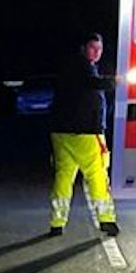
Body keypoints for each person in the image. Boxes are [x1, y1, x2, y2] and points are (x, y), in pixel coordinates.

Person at [48, 33, 118, 237]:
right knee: (97, 175)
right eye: (93, 48)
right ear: (83, 49)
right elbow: (92, 83)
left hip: (61, 134)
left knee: (63, 178)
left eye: (99, 49)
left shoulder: (68, 67)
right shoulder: (84, 67)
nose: (97, 52)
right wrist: (114, 81)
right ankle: (106, 220)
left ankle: (57, 222)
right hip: (86, 133)